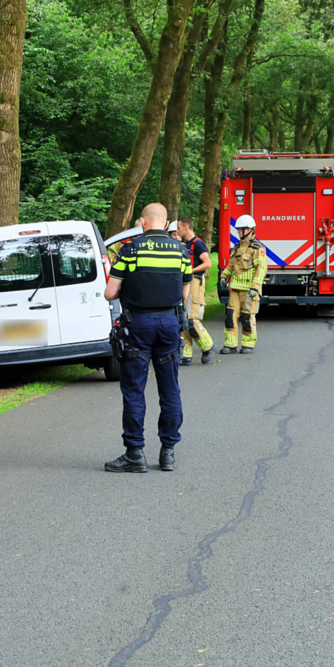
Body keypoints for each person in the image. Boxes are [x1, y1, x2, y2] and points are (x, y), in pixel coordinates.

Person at [104, 203, 192, 473]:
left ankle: (135, 454)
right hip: (168, 324)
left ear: (143, 221)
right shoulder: (182, 251)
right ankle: (168, 453)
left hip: (138, 325)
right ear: (166, 225)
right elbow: (185, 294)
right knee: (170, 389)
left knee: (134, 390)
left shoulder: (129, 250)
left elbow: (110, 293)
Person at [220, 214, 267, 354]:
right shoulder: (237, 247)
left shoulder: (257, 248)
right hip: (235, 288)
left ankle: (248, 344)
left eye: (240, 230)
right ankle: (230, 344)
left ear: (249, 230)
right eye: (238, 230)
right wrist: (224, 276)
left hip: (249, 290)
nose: (238, 232)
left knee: (247, 317)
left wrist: (255, 287)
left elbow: (262, 268)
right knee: (230, 315)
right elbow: (231, 265)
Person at [176, 215, 214, 365]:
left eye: (179, 228)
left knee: (192, 319)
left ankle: (208, 346)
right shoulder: (184, 244)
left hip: (195, 283)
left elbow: (207, 263)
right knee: (183, 318)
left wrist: (190, 270)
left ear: (186, 227)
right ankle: (186, 355)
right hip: (185, 283)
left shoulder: (198, 244)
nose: (177, 231)